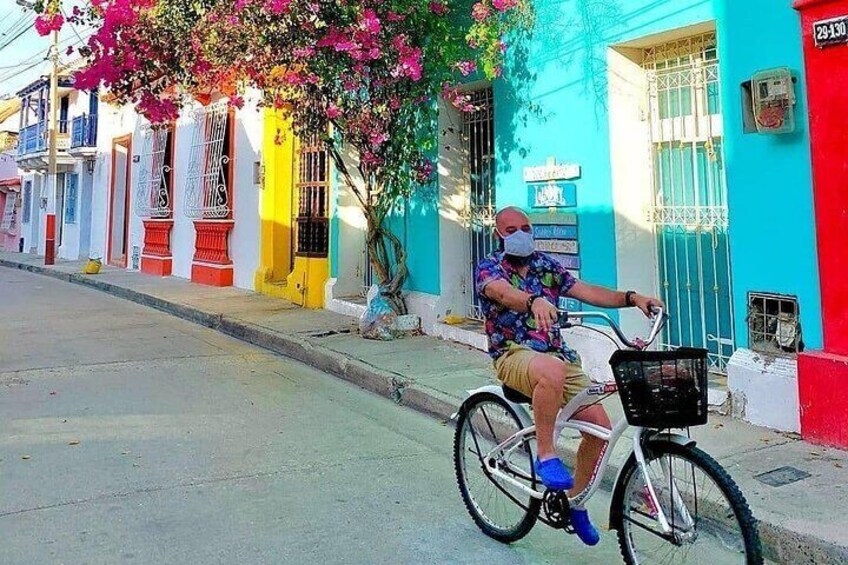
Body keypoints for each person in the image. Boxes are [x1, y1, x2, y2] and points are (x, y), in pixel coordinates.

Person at [475, 206, 663, 546]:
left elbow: (585, 290)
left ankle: (574, 503)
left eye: (525, 227)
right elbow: (502, 293)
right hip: (513, 354)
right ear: (498, 235)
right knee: (552, 369)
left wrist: (633, 298)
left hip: (558, 358)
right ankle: (546, 455)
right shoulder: (490, 267)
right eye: (511, 229)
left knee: (601, 432)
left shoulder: (545, 265)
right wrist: (533, 301)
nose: (521, 233)